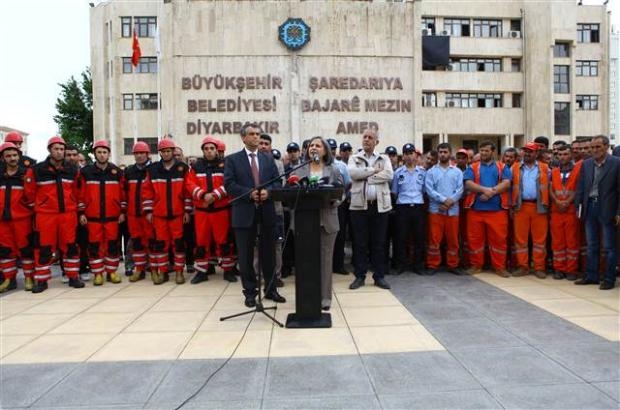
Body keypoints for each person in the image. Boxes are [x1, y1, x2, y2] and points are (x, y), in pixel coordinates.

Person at [224, 123, 286, 307]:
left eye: (258, 134)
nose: (256, 137)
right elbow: (229, 185)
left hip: (266, 212)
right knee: (245, 256)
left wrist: (269, 191)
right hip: (244, 213)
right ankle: (250, 292)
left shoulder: (268, 159)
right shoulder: (233, 160)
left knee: (269, 254)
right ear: (243, 137)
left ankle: (271, 289)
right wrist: (249, 192)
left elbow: (277, 182)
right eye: (251, 134)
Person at [24, 136, 85, 293]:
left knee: (71, 246)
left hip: (68, 215)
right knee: (43, 248)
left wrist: (78, 210)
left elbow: (78, 192)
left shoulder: (72, 170)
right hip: (45, 216)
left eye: (61, 149)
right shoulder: (37, 170)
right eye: (56, 149)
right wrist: (37, 209)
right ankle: (42, 280)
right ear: (49, 150)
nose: (59, 152)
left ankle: (73, 276)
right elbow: (29, 192)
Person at [292, 136, 343, 310]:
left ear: (325, 150)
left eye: (318, 145)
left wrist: (332, 201)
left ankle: (325, 298)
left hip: (327, 221)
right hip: (303, 222)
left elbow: (341, 194)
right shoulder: (298, 169)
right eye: (311, 145)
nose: (314, 148)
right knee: (305, 261)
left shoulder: (333, 169)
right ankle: (307, 295)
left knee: (325, 261)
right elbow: (289, 191)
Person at [142, 139, 193, 285]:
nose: (166, 154)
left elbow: (187, 192)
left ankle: (178, 272)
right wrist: (149, 211)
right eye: (163, 151)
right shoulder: (152, 170)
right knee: (161, 245)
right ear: (160, 153)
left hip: (178, 214)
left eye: (168, 151)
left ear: (172, 151)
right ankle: (163, 272)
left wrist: (187, 211)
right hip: (159, 215)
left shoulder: (182, 168)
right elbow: (147, 192)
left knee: (178, 244)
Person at [347, 128, 393, 290]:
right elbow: (352, 174)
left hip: (380, 207)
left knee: (379, 243)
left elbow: (389, 175)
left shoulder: (384, 158)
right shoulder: (354, 158)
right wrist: (374, 170)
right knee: (360, 243)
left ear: (376, 142)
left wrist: (367, 176)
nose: (366, 139)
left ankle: (379, 276)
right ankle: (360, 276)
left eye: (370, 137)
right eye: (364, 136)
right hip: (359, 207)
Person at [188, 136, 237, 284]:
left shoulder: (226, 164)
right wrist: (203, 195)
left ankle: (228, 271)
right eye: (206, 148)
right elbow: (189, 184)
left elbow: (229, 182)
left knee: (224, 242)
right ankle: (202, 272)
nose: (209, 151)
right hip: (202, 212)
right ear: (202, 150)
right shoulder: (196, 166)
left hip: (221, 210)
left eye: (212, 148)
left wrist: (215, 195)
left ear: (216, 150)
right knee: (201, 242)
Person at [575, 135, 620, 290]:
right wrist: (579, 207)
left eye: (597, 147)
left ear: (606, 147)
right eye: (592, 147)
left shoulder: (616, 163)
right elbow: (581, 187)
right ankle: (591, 276)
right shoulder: (586, 164)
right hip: (589, 207)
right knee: (591, 244)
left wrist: (618, 212)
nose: (594, 150)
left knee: (609, 246)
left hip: (608, 208)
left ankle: (609, 278)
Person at [78, 140, 126, 286]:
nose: (102, 155)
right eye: (99, 152)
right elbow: (79, 194)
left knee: (112, 245)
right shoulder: (85, 172)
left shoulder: (117, 172)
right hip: (93, 217)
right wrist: (81, 213)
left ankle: (111, 272)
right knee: (94, 246)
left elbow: (123, 194)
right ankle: (98, 273)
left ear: (109, 154)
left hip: (113, 216)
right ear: (94, 154)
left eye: (105, 152)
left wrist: (123, 211)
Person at [463, 140, 512, 277]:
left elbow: (507, 183)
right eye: (482, 150)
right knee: (475, 240)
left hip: (497, 210)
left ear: (493, 152)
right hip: (476, 210)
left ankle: (499, 267)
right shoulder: (472, 167)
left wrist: (492, 192)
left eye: (486, 150)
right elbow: (468, 183)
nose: (483, 153)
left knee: (499, 240)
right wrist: (486, 190)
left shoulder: (502, 167)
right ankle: (476, 265)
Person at [510, 142, 550, 279]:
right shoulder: (514, 168)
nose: (527, 153)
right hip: (520, 207)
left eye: (530, 151)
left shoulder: (545, 168)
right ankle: (523, 266)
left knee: (540, 240)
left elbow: (550, 187)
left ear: (536, 153)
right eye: (525, 151)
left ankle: (539, 267)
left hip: (539, 207)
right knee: (520, 239)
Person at [425, 143, 464, 275]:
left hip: (452, 211)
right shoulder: (431, 172)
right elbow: (429, 190)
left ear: (450, 153)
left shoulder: (457, 172)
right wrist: (443, 200)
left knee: (453, 240)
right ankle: (432, 264)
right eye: (440, 152)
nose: (443, 154)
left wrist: (450, 201)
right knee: (434, 239)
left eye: (445, 152)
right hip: (436, 210)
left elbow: (460, 190)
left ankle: (453, 264)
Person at [0, 142, 35, 292]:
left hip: (22, 218)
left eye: (14, 155)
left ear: (19, 156)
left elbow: (32, 196)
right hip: (3, 220)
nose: (12, 158)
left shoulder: (25, 175)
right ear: (2, 158)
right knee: (6, 250)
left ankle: (29, 277)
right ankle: (9, 279)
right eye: (8, 156)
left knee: (25, 249)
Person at [391, 143, 426, 274]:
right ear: (403, 156)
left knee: (419, 238)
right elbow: (394, 192)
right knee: (401, 238)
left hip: (417, 207)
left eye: (411, 153)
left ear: (416, 155)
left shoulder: (422, 172)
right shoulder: (398, 173)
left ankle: (418, 265)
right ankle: (400, 265)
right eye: (406, 153)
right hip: (402, 208)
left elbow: (424, 191)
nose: (409, 156)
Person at [550, 144, 582, 281]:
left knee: (572, 242)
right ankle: (559, 269)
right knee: (557, 242)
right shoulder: (554, 171)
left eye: (565, 154)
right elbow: (550, 189)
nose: (562, 157)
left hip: (571, 211)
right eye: (560, 155)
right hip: (556, 211)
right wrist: (557, 201)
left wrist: (568, 201)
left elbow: (579, 188)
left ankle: (571, 270)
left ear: (571, 155)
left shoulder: (578, 170)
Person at [123, 141, 153, 282]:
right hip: (133, 214)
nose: (140, 156)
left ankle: (154, 269)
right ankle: (139, 270)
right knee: (137, 243)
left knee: (151, 242)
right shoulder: (128, 172)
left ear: (147, 154)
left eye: (142, 153)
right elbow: (124, 193)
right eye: (137, 153)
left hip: (149, 215)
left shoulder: (154, 170)